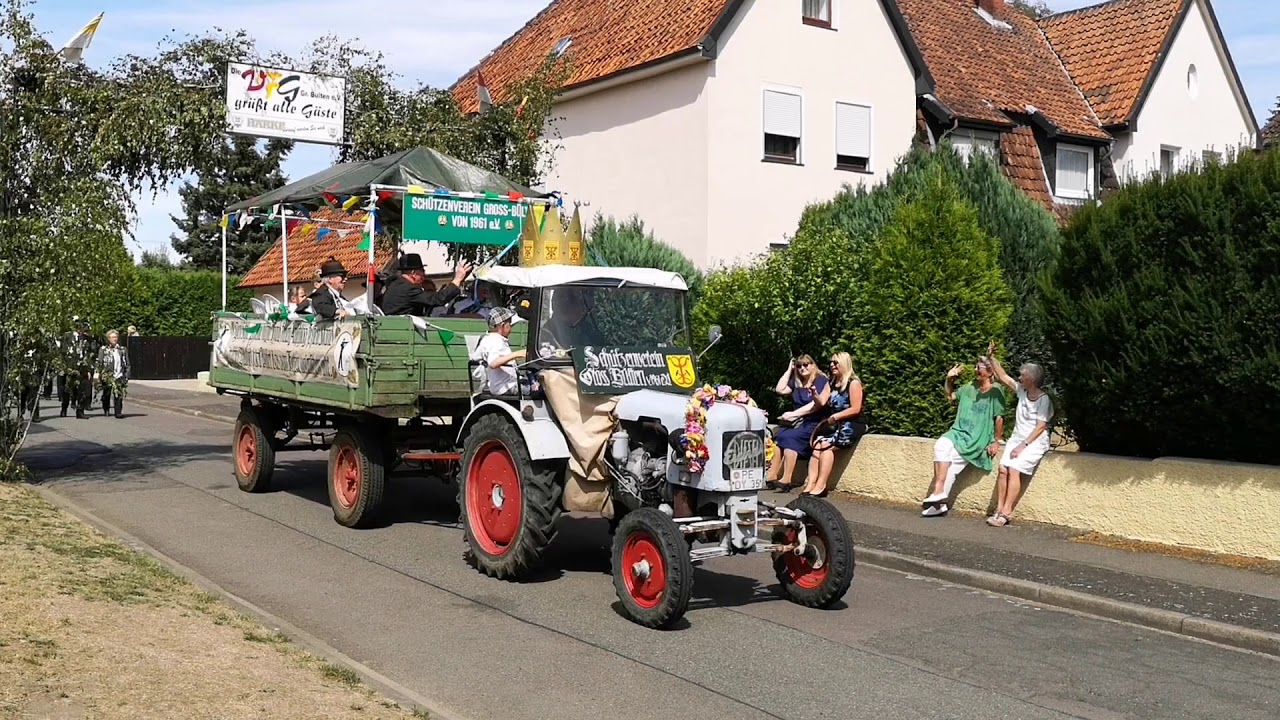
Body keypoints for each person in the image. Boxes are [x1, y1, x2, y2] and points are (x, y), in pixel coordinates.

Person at [921, 357, 1006, 517]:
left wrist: (996, 440)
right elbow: (950, 396)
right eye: (975, 366)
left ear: (990, 372)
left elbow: (999, 417)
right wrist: (948, 379)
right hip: (957, 432)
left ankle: (939, 503)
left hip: (976, 438)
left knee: (951, 468)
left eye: (979, 367)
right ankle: (939, 491)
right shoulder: (969, 387)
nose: (975, 370)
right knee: (941, 446)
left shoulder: (996, 391)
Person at [985, 344, 1053, 527]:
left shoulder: (1043, 399)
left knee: (1014, 469)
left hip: (1033, 442)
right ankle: (998, 509)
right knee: (1003, 469)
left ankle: (1007, 511)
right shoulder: (1022, 391)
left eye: (1023, 375)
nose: (1020, 377)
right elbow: (1002, 376)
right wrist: (991, 357)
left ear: (1031, 379)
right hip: (1017, 439)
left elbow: (1041, 426)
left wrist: (1023, 445)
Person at [801, 351, 868, 497]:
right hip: (836, 423)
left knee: (826, 446)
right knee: (818, 444)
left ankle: (821, 484)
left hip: (852, 424)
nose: (832, 365)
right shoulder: (831, 383)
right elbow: (822, 402)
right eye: (831, 362)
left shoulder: (853, 383)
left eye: (835, 362)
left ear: (844, 363)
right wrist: (814, 395)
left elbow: (855, 408)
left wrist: (836, 416)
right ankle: (811, 482)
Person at [766, 354, 831, 493]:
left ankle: (787, 478)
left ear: (813, 365)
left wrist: (794, 414)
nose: (802, 368)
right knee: (780, 436)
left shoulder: (820, 381)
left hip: (814, 422)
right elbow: (779, 389)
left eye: (806, 365)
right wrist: (789, 370)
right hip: (799, 422)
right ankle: (772, 475)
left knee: (791, 437)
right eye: (799, 366)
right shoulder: (797, 383)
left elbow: (816, 404)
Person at [378, 253, 472, 316]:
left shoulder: (395, 285)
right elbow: (438, 299)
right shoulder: (409, 289)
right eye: (422, 271)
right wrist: (457, 279)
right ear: (414, 273)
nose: (424, 275)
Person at [470, 307, 526, 396]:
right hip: (506, 387)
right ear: (502, 325)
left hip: (498, 385)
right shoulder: (496, 341)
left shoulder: (487, 339)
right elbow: (493, 363)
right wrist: (517, 354)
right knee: (542, 388)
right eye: (509, 324)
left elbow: (475, 357)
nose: (511, 328)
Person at [540, 286, 605, 352]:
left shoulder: (587, 328)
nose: (585, 309)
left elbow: (602, 349)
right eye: (581, 301)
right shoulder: (548, 333)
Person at [59, 318, 97, 419]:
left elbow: (90, 354)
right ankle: (64, 408)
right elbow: (62, 352)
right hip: (70, 366)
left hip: (82, 368)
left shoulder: (87, 339)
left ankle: (80, 410)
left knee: (83, 389)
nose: (82, 330)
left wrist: (89, 369)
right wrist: (63, 366)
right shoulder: (67, 336)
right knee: (68, 389)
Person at [96, 329, 129, 418]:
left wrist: (126, 375)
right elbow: (99, 362)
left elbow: (127, 363)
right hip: (107, 375)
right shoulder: (104, 349)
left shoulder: (122, 349)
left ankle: (118, 412)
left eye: (116, 337)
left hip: (119, 375)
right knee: (106, 394)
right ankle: (106, 409)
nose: (115, 339)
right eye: (113, 337)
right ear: (109, 339)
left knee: (118, 395)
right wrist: (99, 375)